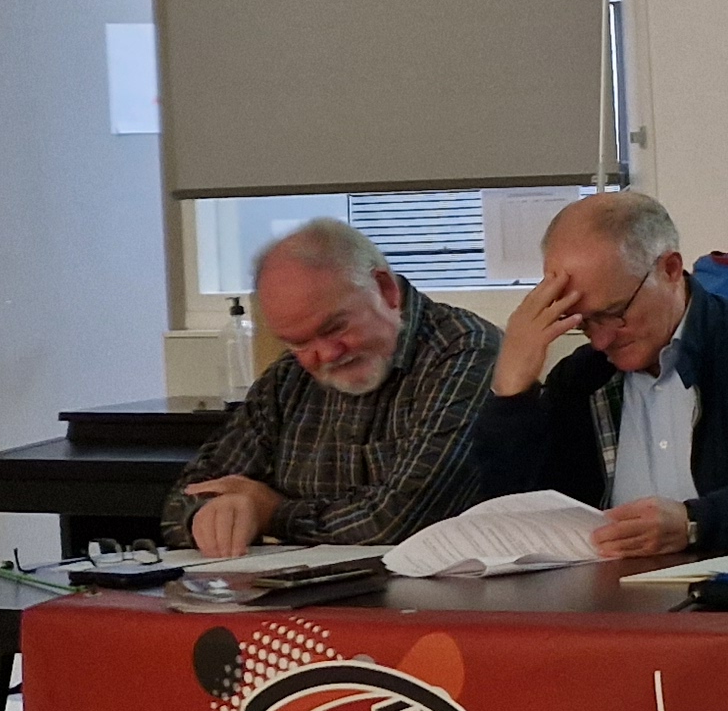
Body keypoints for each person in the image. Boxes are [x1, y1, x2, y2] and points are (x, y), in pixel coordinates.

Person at [471, 191, 728, 556]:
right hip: (608, 598)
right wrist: (512, 391)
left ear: (670, 268)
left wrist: (697, 523)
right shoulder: (580, 380)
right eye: (583, 322)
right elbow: (511, 519)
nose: (601, 339)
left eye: (614, 313)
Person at [163, 219, 503, 556]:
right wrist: (210, 517)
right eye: (299, 342)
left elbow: (399, 520)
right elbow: (184, 500)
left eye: (336, 328)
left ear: (386, 290)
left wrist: (273, 513)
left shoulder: (466, 352)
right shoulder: (287, 379)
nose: (326, 354)